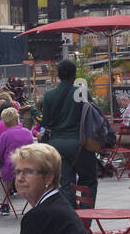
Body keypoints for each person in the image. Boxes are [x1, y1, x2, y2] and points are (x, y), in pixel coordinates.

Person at [41, 59, 95, 208]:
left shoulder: (49, 95)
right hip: (80, 143)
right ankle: (85, 221)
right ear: (74, 74)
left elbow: (45, 122)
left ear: (58, 75)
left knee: (64, 184)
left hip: (56, 144)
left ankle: (71, 222)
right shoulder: (82, 92)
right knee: (88, 181)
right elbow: (93, 115)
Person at [0, 107, 34, 215]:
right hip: (28, 168)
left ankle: (4, 205)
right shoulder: (27, 132)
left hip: (11, 169)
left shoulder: (5, 135)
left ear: (4, 122)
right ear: (17, 119)